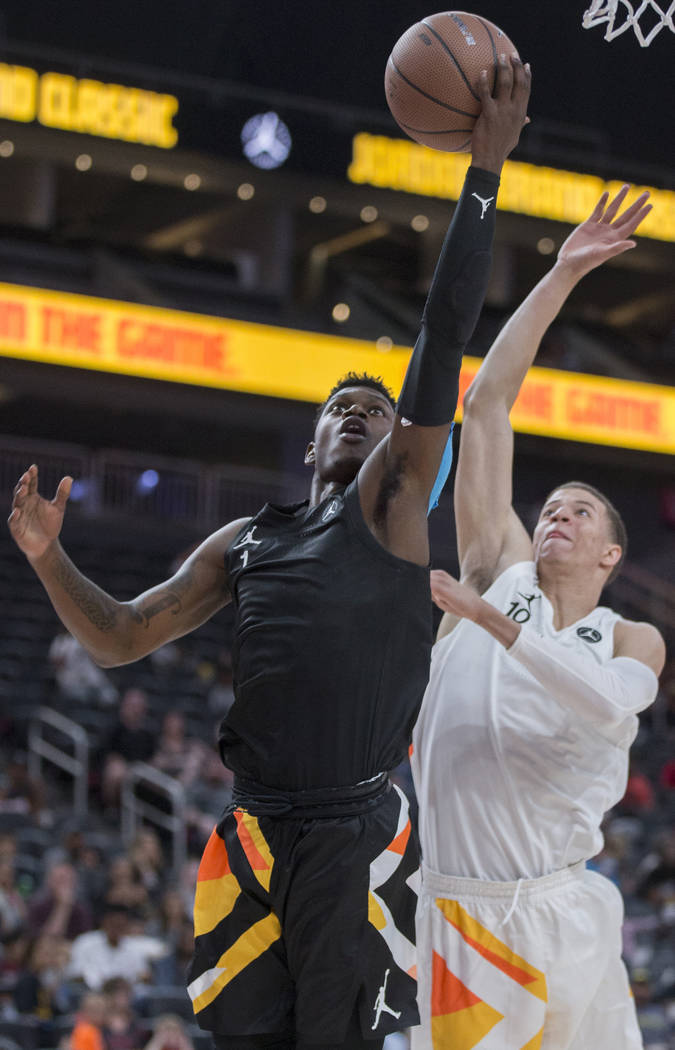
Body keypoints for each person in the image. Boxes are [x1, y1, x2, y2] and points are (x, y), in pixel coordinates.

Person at [7, 55, 531, 1050]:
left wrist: (483, 176)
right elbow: (119, 637)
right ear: (310, 440)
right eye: (339, 408)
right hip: (250, 832)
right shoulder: (246, 538)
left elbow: (444, 331)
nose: (356, 415)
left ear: (398, 446)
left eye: (374, 412)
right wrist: (45, 556)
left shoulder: (393, 511)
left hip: (353, 835)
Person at [410, 186, 666, 1050]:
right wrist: (558, 273)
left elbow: (606, 706)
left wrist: (492, 623)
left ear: (610, 556)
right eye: (549, 505)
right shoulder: (497, 569)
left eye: (580, 511)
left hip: (568, 906)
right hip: (465, 910)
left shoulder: (631, 636)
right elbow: (483, 406)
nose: (556, 513)